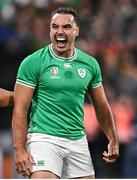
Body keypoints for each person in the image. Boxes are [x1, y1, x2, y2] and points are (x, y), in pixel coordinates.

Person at [12, 7, 119, 179]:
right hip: (44, 139)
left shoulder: (90, 64)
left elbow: (101, 105)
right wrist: (19, 149)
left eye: (66, 27)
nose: (59, 31)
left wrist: (113, 138)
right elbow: (20, 108)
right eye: (54, 27)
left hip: (77, 139)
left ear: (76, 30)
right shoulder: (32, 62)